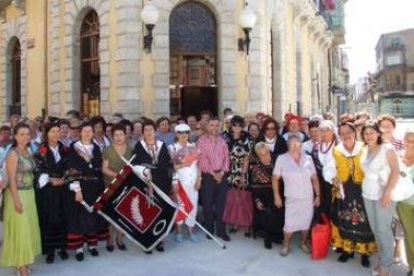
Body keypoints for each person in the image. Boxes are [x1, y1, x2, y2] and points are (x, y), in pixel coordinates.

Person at [325, 122, 376, 267]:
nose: (346, 135)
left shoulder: (364, 148)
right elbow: (328, 169)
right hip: (344, 191)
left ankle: (364, 252)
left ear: (355, 133)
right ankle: (348, 250)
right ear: (339, 135)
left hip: (362, 190)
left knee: (364, 221)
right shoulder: (336, 150)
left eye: (349, 132)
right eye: (342, 133)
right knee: (345, 219)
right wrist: (332, 178)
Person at [1, 123, 41, 276]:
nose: (25, 137)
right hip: (16, 195)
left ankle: (22, 263)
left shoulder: (29, 151)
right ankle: (22, 268)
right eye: (21, 134)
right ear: (15, 136)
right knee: (20, 231)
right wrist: (17, 201)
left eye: (27, 134)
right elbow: (11, 179)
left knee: (28, 230)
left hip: (29, 194)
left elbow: (31, 173)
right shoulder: (13, 154)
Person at [360, 120, 399, 276]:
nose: (369, 136)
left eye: (372, 132)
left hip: (383, 193)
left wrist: (387, 193)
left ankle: (386, 268)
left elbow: (395, 172)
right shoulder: (365, 149)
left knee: (384, 230)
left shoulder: (387, 148)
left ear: (378, 133)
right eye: (366, 133)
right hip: (367, 193)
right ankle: (383, 260)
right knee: (376, 230)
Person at [65, 122, 108, 262]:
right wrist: (77, 190)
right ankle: (79, 248)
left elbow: (99, 168)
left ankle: (92, 245)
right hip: (80, 187)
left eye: (90, 131)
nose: (87, 133)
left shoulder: (96, 148)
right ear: (80, 132)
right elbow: (71, 170)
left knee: (92, 216)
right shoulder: (74, 148)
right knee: (79, 217)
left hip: (95, 187)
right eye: (85, 131)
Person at [273, 135, 320, 257]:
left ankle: (303, 243)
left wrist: (318, 195)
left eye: (297, 143)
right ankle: (286, 245)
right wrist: (276, 195)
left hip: (307, 197)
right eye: (291, 144)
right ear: (287, 145)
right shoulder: (282, 159)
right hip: (291, 197)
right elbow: (275, 178)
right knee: (289, 224)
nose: (294, 146)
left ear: (300, 145)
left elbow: (314, 178)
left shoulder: (308, 159)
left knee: (306, 223)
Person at [132, 119, 172, 253]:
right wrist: (145, 170)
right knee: (147, 212)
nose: (149, 132)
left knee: (160, 212)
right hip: (145, 183)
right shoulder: (139, 146)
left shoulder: (162, 145)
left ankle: (159, 240)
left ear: (155, 131)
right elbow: (135, 165)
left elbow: (167, 163)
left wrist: (154, 168)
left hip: (162, 183)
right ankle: (146, 242)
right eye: (146, 130)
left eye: (151, 130)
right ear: (143, 132)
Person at [34, 122, 69, 264]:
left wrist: (64, 179)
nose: (55, 134)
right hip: (48, 190)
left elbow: (71, 167)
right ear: (46, 133)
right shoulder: (41, 149)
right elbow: (37, 169)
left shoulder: (65, 149)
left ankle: (62, 247)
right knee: (49, 218)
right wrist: (50, 179)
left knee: (62, 217)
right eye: (52, 131)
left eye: (57, 131)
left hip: (63, 189)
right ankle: (50, 250)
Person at [197, 117, 230, 241]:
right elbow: (201, 159)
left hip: (222, 175)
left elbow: (227, 158)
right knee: (208, 204)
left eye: (217, 125)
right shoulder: (201, 141)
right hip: (208, 176)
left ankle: (221, 231)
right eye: (212, 125)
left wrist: (222, 172)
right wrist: (213, 174)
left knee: (221, 204)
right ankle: (210, 230)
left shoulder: (222, 141)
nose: (214, 127)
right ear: (207, 127)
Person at [102, 124, 133, 252]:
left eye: (121, 134)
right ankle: (110, 240)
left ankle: (120, 239)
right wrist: (119, 176)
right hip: (111, 185)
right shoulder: (107, 150)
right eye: (116, 135)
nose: (119, 137)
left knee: (124, 214)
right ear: (112, 136)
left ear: (125, 135)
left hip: (126, 186)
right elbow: (104, 169)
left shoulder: (130, 150)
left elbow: (133, 168)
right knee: (112, 214)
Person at [378, 114, 405, 264]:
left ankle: (398, 249)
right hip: (380, 188)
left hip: (397, 188)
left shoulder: (401, 144)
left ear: (393, 127)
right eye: (383, 126)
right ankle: (385, 248)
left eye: (389, 126)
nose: (386, 129)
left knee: (397, 220)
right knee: (383, 221)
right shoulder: (377, 144)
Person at [168, 123, 201, 244]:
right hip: (180, 182)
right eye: (181, 133)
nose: (184, 135)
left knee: (193, 206)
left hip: (193, 182)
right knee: (180, 206)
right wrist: (184, 164)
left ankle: (191, 231)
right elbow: (173, 167)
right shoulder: (172, 147)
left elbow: (199, 165)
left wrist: (199, 179)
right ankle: (178, 232)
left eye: (186, 133)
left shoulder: (193, 146)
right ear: (176, 134)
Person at [222, 116, 252, 234]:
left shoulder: (246, 138)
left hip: (241, 170)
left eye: (240, 125)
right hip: (228, 170)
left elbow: (246, 158)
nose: (237, 127)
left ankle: (246, 222)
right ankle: (234, 222)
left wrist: (243, 175)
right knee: (232, 198)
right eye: (235, 125)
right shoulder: (225, 136)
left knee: (244, 198)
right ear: (231, 125)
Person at [250, 142, 284, 249]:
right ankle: (268, 238)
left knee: (279, 213)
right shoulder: (255, 168)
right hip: (263, 194)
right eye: (261, 154)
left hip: (279, 192)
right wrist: (257, 200)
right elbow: (254, 187)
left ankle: (277, 236)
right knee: (268, 214)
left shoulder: (278, 161)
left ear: (269, 151)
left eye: (266, 153)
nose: (264, 156)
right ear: (258, 155)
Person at [397, 129, 414, 276]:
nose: (412, 144)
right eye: (408, 141)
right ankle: (411, 266)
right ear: (403, 142)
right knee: (410, 235)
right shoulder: (397, 158)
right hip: (405, 204)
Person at [313, 120, 337, 216]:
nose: (324, 133)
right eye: (322, 130)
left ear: (333, 132)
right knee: (322, 211)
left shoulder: (338, 145)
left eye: (327, 130)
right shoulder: (316, 147)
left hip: (334, 182)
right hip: (320, 183)